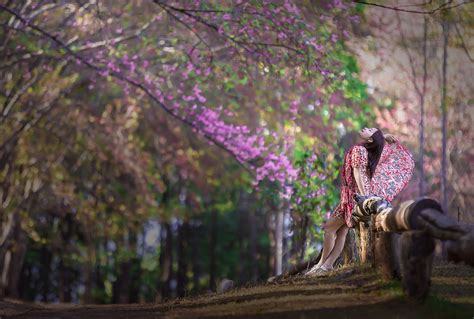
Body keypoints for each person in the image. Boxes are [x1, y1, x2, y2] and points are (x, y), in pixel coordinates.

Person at [306, 127, 414, 275]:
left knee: (329, 229)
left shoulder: (359, 150)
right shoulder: (365, 150)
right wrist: (383, 136)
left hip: (353, 199)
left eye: (370, 130)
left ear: (370, 139)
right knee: (342, 231)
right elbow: (364, 170)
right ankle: (327, 265)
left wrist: (364, 197)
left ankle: (321, 265)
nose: (365, 128)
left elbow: (358, 174)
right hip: (354, 197)